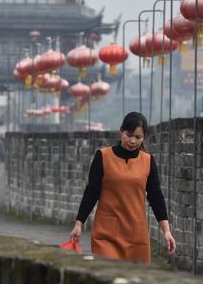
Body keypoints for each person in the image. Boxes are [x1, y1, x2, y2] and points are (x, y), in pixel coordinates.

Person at [69, 112, 176, 263]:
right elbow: (92, 192)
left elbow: (155, 195)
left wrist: (166, 231)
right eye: (129, 135)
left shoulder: (148, 161)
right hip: (106, 235)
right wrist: (79, 223)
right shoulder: (103, 157)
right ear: (121, 131)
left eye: (138, 137)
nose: (132, 141)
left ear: (144, 138)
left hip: (136, 235)